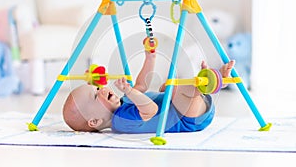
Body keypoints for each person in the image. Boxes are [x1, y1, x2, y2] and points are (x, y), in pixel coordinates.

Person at [62, 50, 235, 133]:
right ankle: (212, 84)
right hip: (188, 119)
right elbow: (150, 109)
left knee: (166, 89)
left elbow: (142, 86)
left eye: (97, 87)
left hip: (187, 107)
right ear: (94, 121)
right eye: (95, 94)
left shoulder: (123, 104)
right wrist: (129, 91)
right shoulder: (122, 122)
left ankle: (211, 84)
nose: (102, 89)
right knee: (172, 89)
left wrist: (150, 58)